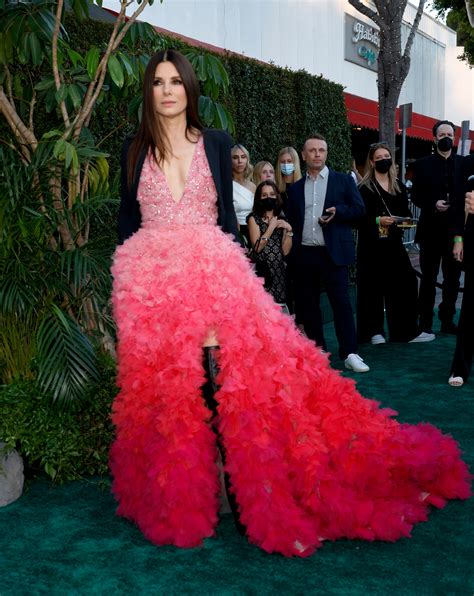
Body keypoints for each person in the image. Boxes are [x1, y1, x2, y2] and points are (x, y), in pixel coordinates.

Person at [110, 50, 470, 558]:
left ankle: (246, 486)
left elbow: (223, 222)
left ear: (190, 89)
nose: (167, 90)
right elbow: (127, 221)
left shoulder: (212, 143)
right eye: (157, 82)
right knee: (165, 396)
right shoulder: (132, 149)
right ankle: (178, 496)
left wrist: (236, 270)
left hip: (212, 272)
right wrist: (128, 285)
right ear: (147, 91)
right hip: (149, 283)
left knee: (234, 381)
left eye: (176, 81)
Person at [286, 134, 370, 372]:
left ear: (326, 153)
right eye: (312, 150)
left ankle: (350, 353)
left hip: (333, 253)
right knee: (309, 304)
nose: (317, 154)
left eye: (321, 150)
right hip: (305, 254)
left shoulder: (343, 181)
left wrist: (338, 211)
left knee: (341, 303)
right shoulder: (295, 189)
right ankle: (318, 350)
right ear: (303, 155)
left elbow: (359, 209)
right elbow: (293, 221)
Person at [356, 142, 434, 344]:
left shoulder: (398, 185)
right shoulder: (363, 188)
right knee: (372, 287)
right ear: (372, 162)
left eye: (386, 156)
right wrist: (377, 220)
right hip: (371, 245)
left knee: (406, 282)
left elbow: (407, 214)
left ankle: (404, 331)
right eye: (379, 157)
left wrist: (403, 221)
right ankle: (374, 332)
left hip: (393, 244)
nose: (384, 160)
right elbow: (357, 217)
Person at [410, 120, 464, 336]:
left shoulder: (463, 163)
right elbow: (415, 196)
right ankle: (425, 321)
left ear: (454, 137)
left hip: (455, 232)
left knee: (453, 279)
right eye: (441, 135)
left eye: (449, 134)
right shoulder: (422, 165)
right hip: (430, 231)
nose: (446, 138)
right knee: (429, 279)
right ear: (434, 138)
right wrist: (433, 203)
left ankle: (447, 319)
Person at [449, 156, 474, 386]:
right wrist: (458, 238)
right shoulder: (468, 164)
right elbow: (458, 204)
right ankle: (460, 368)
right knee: (469, 309)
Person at [247, 180, 292, 306]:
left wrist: (289, 230)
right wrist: (271, 228)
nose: (269, 198)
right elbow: (257, 248)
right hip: (263, 274)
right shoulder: (253, 218)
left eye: (272, 194)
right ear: (259, 198)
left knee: (283, 313)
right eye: (264, 195)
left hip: (280, 273)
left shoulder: (282, 218)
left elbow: (285, 251)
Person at [231, 143, 255, 244]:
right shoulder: (226, 185)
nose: (240, 161)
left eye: (243, 157)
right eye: (235, 157)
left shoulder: (253, 186)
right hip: (233, 231)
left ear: (247, 160)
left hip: (253, 231)